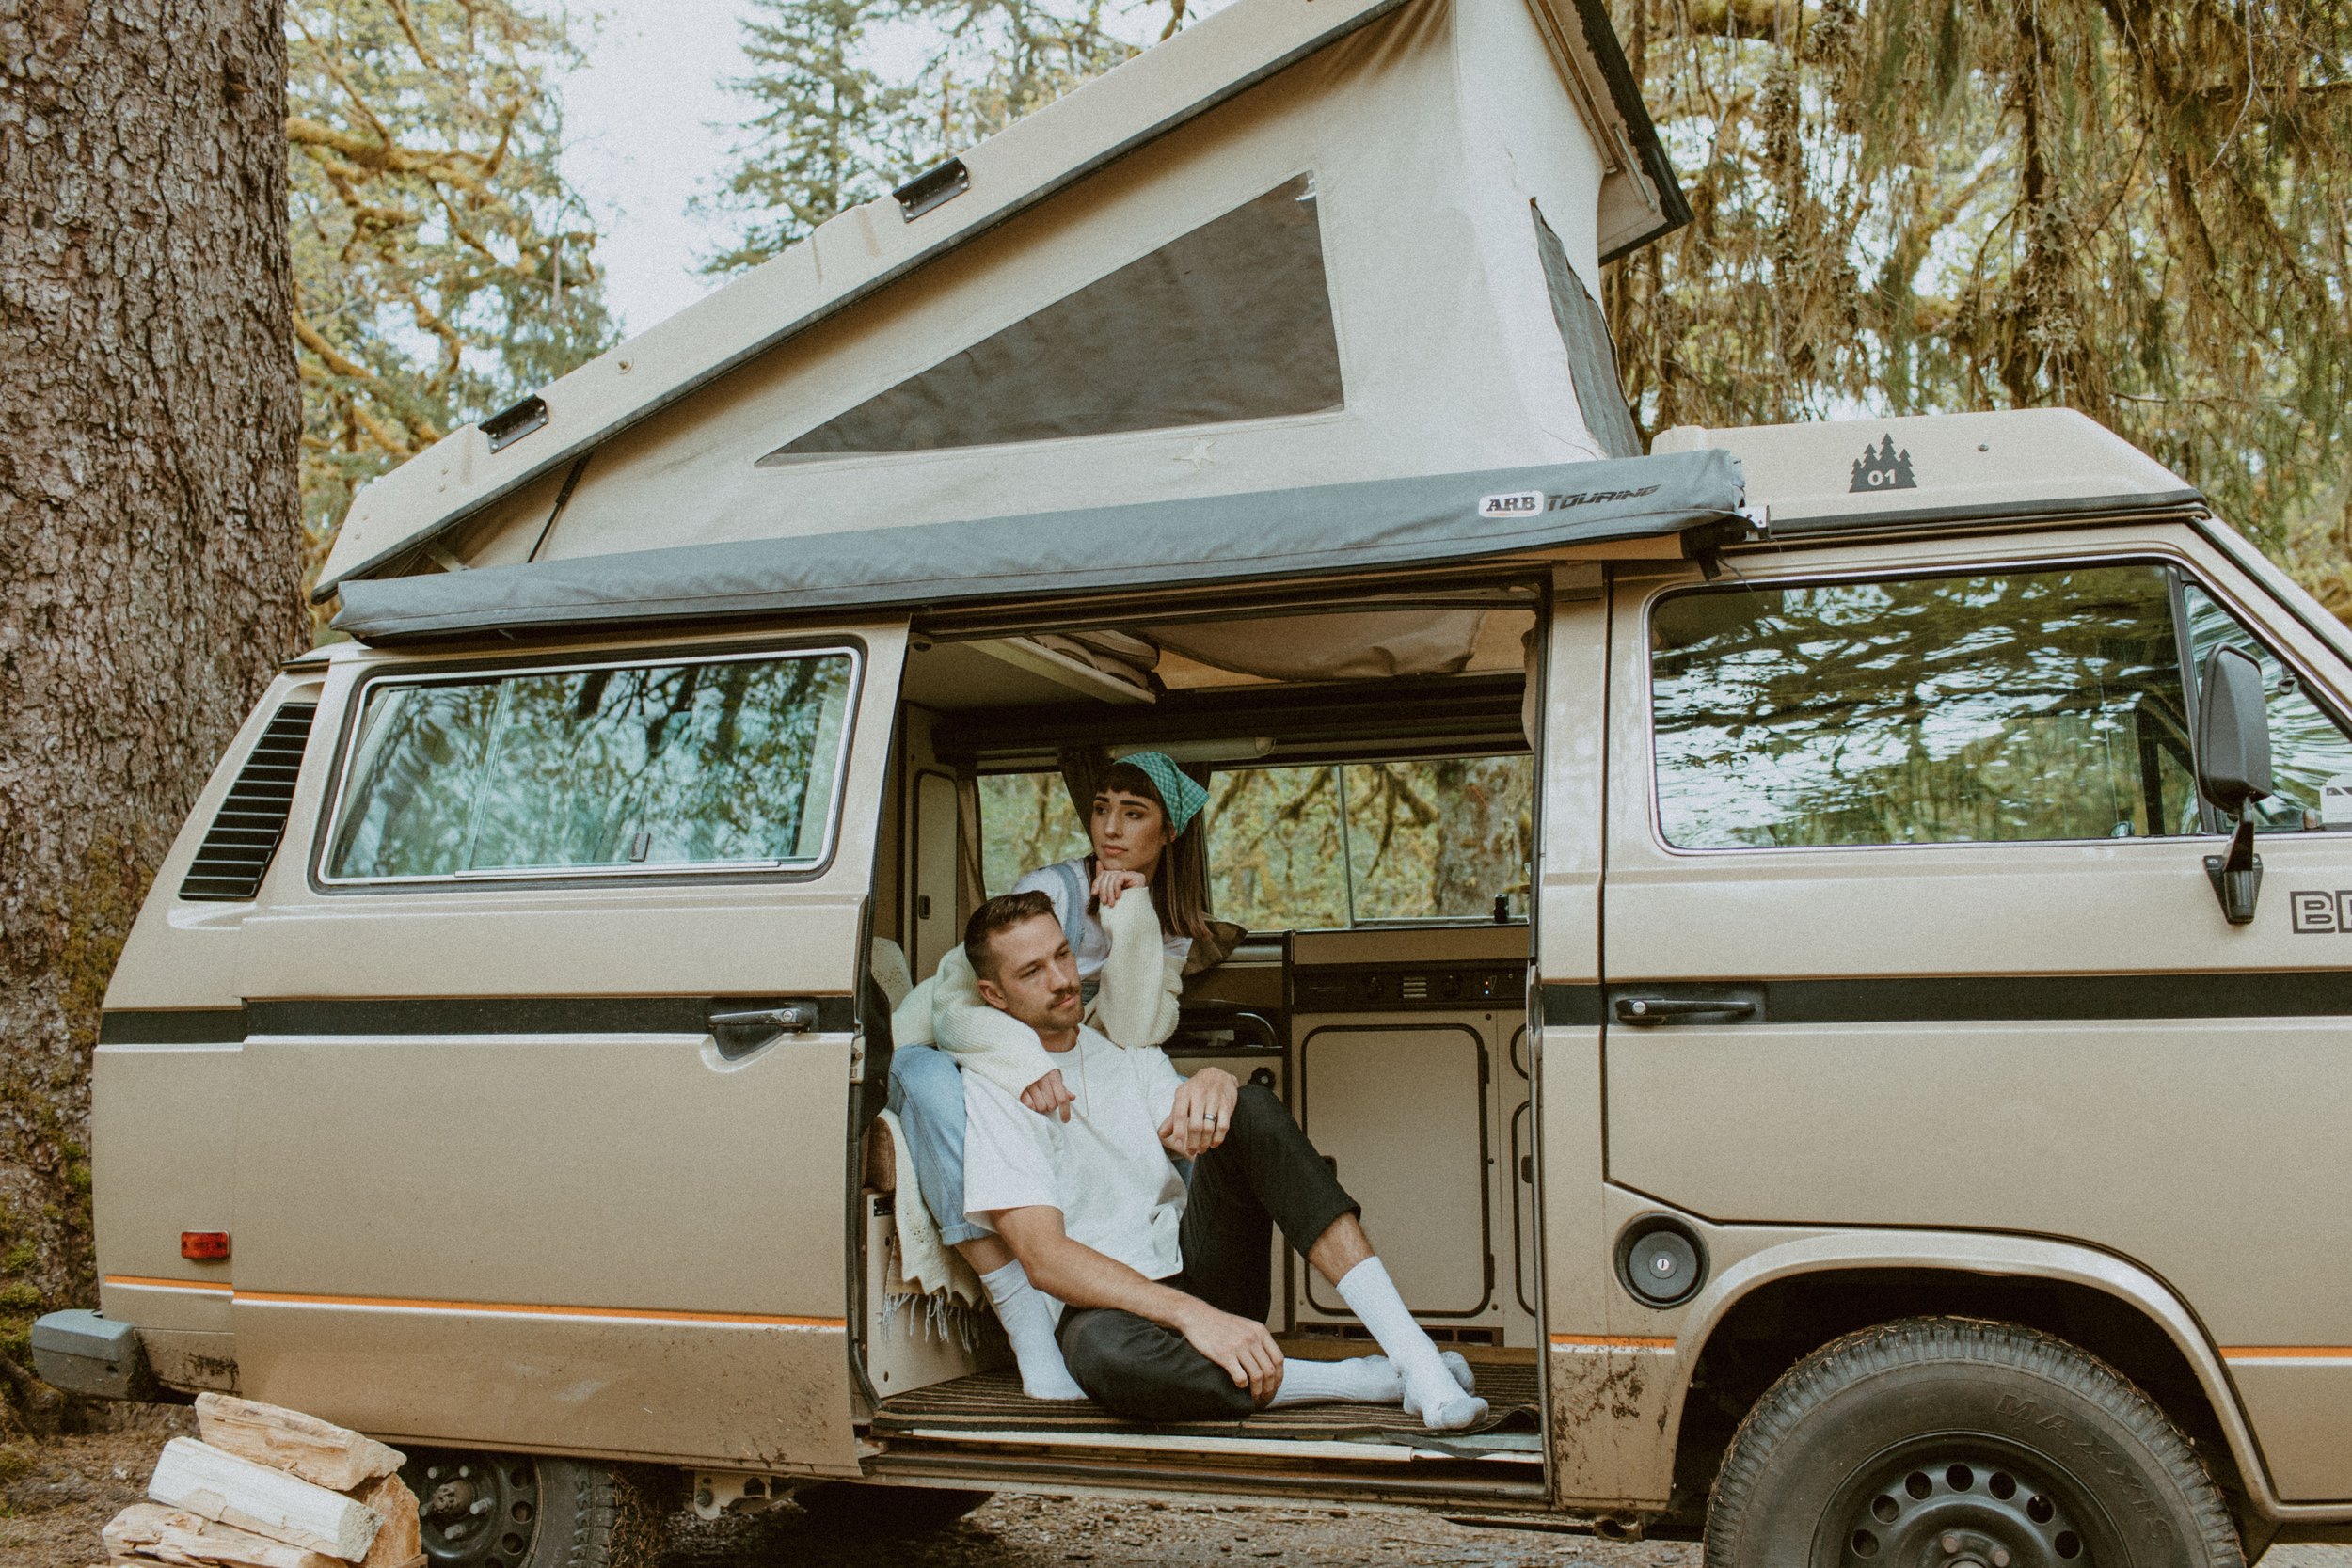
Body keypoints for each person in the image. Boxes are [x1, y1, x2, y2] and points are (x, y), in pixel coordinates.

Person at [956, 891, 1488, 1430]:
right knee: (1109, 1360)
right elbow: (1044, 1259)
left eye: (1063, 955)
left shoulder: (1125, 1053)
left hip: (1200, 1268)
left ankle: (1417, 1358)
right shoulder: (995, 1090)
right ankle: (1365, 1381)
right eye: (1032, 972)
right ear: (993, 995)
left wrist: (1215, 1084)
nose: (1062, 980)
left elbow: (1197, 1129)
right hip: (1107, 1310)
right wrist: (1194, 1318)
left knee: (1251, 1107)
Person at [885, 753, 1219, 1400]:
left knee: (1167, 1097)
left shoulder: (1173, 925)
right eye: (1101, 808)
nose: (1110, 829)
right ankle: (1032, 1332)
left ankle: (1156, 1293)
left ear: (1168, 832)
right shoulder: (1054, 890)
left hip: (1060, 1047)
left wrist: (1133, 917)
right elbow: (956, 1009)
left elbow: (1131, 1028)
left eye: (1133, 812)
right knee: (925, 1078)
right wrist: (1026, 1062)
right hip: (948, 1041)